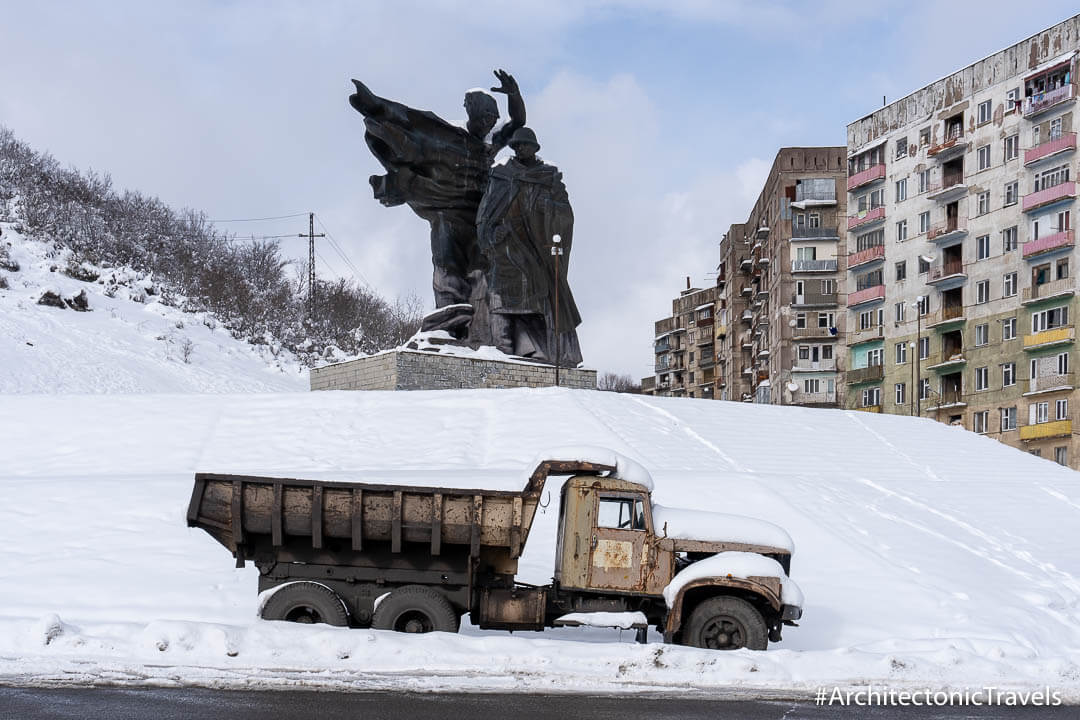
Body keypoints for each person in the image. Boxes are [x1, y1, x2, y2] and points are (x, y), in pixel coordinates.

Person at [347, 70, 524, 336]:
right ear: (473, 116)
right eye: (486, 117)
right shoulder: (448, 138)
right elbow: (410, 119)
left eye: (494, 119)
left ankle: (481, 326)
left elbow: (517, 122)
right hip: (448, 213)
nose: (491, 123)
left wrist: (514, 94)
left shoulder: (489, 145)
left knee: (483, 269)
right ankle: (449, 320)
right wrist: (374, 105)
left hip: (480, 218)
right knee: (447, 262)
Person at [475, 127, 582, 365]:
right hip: (507, 248)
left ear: (534, 147)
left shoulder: (549, 177)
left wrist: (549, 213)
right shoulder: (502, 176)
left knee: (542, 299)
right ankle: (502, 351)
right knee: (500, 300)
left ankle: (541, 352)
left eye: (524, 145)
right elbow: (485, 214)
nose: (520, 149)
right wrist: (492, 234)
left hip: (537, 250)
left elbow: (566, 214)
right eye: (516, 146)